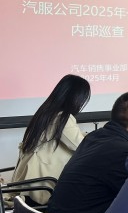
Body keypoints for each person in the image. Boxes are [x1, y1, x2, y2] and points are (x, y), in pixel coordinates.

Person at [11, 74, 91, 205]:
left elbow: (72, 136)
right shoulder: (62, 118)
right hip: (42, 188)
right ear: (75, 98)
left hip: (28, 185)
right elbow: (81, 145)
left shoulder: (46, 113)